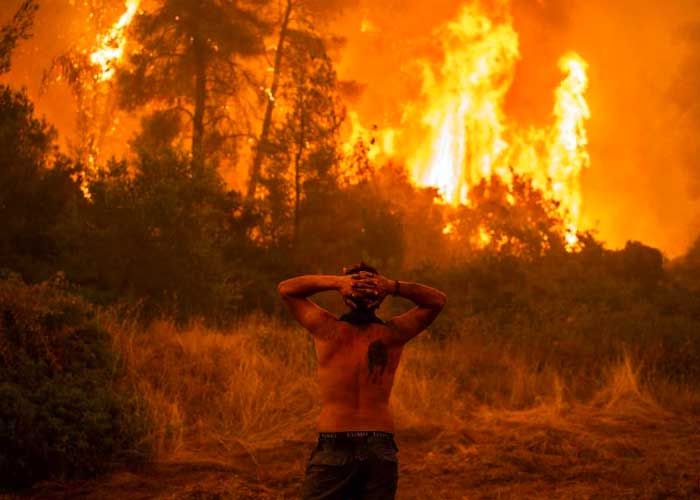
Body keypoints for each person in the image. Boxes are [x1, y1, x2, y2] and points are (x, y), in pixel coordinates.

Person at [277, 263, 447, 500]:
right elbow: (436, 301)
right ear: (380, 300)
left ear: (346, 298)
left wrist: (339, 283)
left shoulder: (327, 329)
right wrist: (391, 287)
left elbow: (287, 289)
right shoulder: (393, 334)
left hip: (336, 443)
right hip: (379, 447)